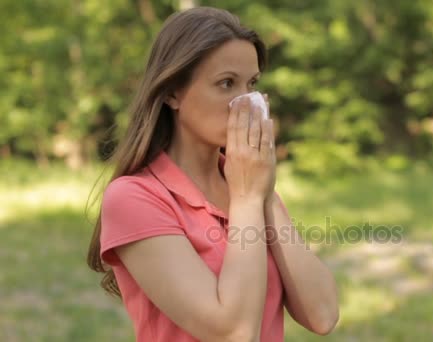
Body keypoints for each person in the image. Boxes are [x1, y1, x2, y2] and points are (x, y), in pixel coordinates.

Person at [86, 6, 339, 342]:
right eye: (226, 83)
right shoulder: (135, 198)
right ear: (173, 92)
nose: (246, 103)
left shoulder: (248, 185)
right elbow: (234, 332)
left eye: (251, 84)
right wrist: (249, 197)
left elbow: (322, 315)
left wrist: (264, 194)